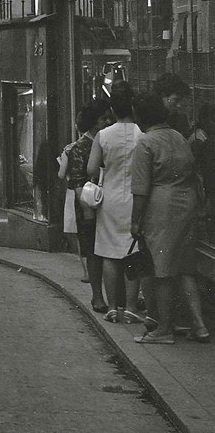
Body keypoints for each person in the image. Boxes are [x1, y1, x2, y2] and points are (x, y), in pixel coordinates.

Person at [131, 91, 209, 344]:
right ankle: (189, 323)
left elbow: (140, 189)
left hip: (161, 206)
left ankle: (163, 329)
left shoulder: (146, 142)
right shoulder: (177, 136)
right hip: (186, 204)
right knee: (183, 266)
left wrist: (135, 221)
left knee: (161, 269)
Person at [86, 81, 143, 323]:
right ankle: (130, 306)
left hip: (109, 199)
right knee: (133, 253)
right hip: (135, 199)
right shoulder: (143, 134)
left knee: (109, 254)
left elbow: (91, 168)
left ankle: (111, 307)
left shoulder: (103, 135)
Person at [66, 100, 110, 312]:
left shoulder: (104, 141)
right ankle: (97, 296)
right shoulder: (81, 147)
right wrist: (86, 209)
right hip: (89, 204)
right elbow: (75, 181)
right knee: (92, 250)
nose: (107, 122)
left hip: (106, 203)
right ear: (94, 123)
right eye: (103, 119)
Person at [59, 110, 89, 284]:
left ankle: (87, 272)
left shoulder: (70, 149)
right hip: (96, 192)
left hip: (75, 193)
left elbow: (61, 174)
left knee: (81, 234)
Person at [152, 73, 192, 138]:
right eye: (176, 100)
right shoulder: (149, 118)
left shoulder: (180, 119)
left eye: (181, 100)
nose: (179, 105)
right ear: (163, 96)